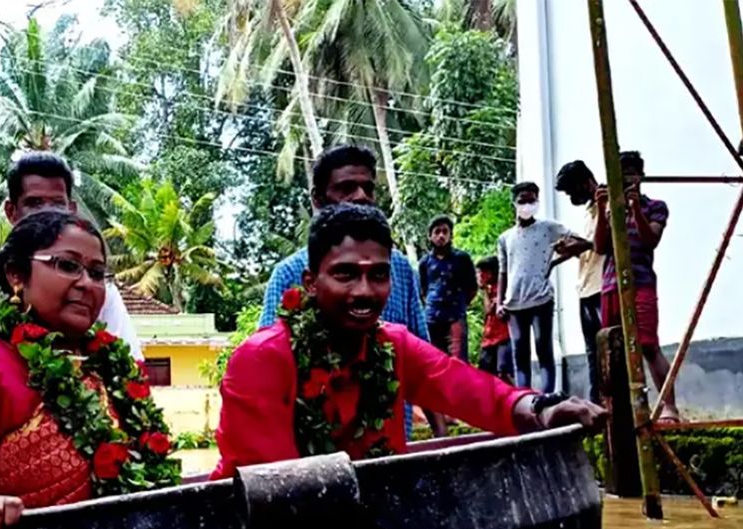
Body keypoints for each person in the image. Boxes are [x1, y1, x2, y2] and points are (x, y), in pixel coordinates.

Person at [212, 204, 606, 479]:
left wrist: (541, 410)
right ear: (311, 283)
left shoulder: (392, 345)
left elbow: (471, 390)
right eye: (345, 274)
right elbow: (280, 491)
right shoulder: (262, 360)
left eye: (378, 275)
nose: (364, 291)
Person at [0, 211, 178, 529]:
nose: (87, 283)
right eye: (67, 265)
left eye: (98, 273)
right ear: (16, 274)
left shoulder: (113, 372)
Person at [258, 145, 436, 439]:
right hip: (317, 452)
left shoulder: (400, 268)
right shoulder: (289, 274)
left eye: (368, 188)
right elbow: (269, 373)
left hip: (388, 446)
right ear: (318, 199)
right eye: (346, 188)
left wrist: (441, 441)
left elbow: (423, 364)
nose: (361, 196)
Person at [0, 152, 143, 360]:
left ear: (71, 210)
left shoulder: (96, 284)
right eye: (34, 203)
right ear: (11, 211)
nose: (47, 213)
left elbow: (130, 364)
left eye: (57, 204)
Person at [593, 151, 680, 422]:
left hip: (640, 282)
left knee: (648, 346)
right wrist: (601, 211)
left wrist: (636, 209)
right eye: (622, 175)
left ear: (640, 176)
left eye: (632, 174)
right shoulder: (609, 211)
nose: (628, 180)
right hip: (610, 285)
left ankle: (669, 406)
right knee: (613, 347)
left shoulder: (655, 206)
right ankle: (620, 411)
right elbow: (600, 247)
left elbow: (650, 240)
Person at [496, 182, 590, 392]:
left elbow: (583, 243)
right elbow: (503, 271)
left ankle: (547, 398)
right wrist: (499, 302)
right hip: (514, 303)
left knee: (543, 349)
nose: (527, 205)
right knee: (520, 354)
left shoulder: (549, 228)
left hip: (541, 300)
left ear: (537, 202)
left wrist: (554, 260)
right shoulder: (505, 238)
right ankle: (524, 398)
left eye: (531, 200)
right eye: (522, 201)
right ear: (515, 203)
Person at [555, 160, 606, 402]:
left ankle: (610, 403)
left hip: (603, 287)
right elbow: (590, 247)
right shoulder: (589, 210)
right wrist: (572, 248)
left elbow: (605, 244)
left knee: (608, 350)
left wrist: (581, 244)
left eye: (571, 191)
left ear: (585, 182)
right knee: (592, 353)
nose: (570, 197)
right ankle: (596, 402)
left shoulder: (606, 205)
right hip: (586, 288)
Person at [419, 215, 477, 362]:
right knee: (435, 361)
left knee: (458, 362)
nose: (441, 236)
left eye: (445, 231)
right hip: (432, 318)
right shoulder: (424, 263)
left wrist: (460, 304)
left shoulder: (462, 259)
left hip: (455, 316)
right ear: (430, 236)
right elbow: (423, 290)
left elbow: (472, 288)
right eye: (437, 232)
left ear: (451, 235)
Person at [475, 256, 513, 383]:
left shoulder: (501, 289)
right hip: (490, 337)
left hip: (503, 336)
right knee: (485, 370)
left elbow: (491, 309)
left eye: (483, 272)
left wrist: (485, 289)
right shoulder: (489, 289)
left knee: (502, 370)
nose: (480, 275)